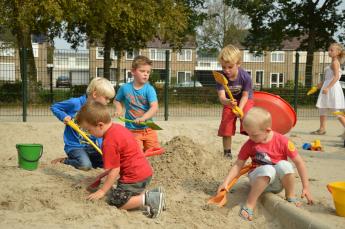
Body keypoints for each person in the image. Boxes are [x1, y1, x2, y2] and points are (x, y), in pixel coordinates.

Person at [217, 107, 313, 221]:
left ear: (267, 130)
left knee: (285, 165)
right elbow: (238, 164)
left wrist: (306, 187)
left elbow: (299, 163)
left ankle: (290, 196)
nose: (251, 138)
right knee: (268, 169)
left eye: (254, 135)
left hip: (277, 184)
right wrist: (226, 182)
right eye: (248, 134)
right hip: (257, 179)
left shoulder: (283, 141)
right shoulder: (250, 144)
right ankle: (250, 204)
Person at [76, 101, 165, 218]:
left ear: (100, 125)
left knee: (116, 201)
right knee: (124, 192)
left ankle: (150, 198)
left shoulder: (108, 143)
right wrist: (101, 176)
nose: (89, 134)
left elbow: (115, 169)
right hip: (145, 172)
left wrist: (102, 191)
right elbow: (121, 160)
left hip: (134, 177)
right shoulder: (118, 128)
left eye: (89, 130)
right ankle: (153, 194)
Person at [50, 77, 115, 170]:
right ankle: (65, 160)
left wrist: (102, 148)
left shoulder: (99, 110)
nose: (108, 101)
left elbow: (100, 132)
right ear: (95, 94)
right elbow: (55, 107)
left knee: (107, 163)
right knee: (85, 166)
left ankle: (87, 159)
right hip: (75, 146)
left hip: (91, 146)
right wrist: (63, 116)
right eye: (106, 98)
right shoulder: (75, 103)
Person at [114, 55, 160, 152]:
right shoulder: (125, 88)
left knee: (154, 152)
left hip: (149, 129)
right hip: (132, 130)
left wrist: (143, 118)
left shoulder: (149, 89)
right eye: (142, 71)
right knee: (136, 153)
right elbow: (117, 100)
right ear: (133, 71)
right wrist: (119, 109)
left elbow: (154, 107)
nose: (146, 74)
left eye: (148, 72)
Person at [216, 44, 254, 158]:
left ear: (238, 64)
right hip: (229, 101)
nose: (226, 70)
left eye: (230, 67)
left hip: (245, 99)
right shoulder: (220, 78)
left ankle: (255, 148)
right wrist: (228, 103)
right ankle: (227, 153)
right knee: (226, 123)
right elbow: (222, 98)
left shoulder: (245, 77)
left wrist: (240, 109)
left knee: (248, 120)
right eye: (223, 67)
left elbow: (245, 95)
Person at [311, 42, 345, 135]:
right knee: (323, 108)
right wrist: (319, 85)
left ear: (338, 52)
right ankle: (322, 129)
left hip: (332, 89)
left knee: (335, 111)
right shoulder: (332, 62)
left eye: (331, 50)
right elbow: (328, 78)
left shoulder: (335, 62)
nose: (329, 52)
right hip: (328, 87)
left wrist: (328, 88)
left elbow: (336, 77)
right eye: (329, 50)